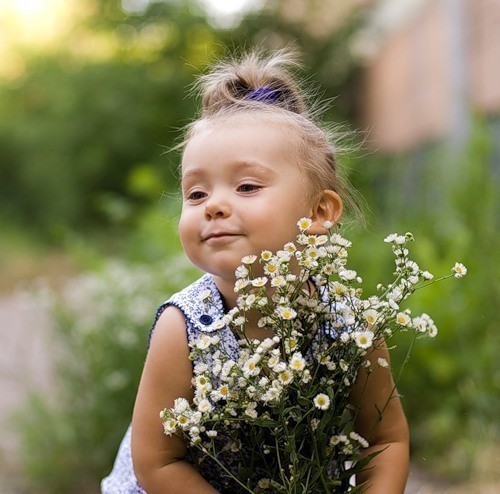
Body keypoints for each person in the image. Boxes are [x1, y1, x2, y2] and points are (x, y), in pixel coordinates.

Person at [101, 49, 409, 494]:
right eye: (196, 193)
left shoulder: (348, 323)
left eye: (247, 186)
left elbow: (385, 438)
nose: (215, 205)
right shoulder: (184, 327)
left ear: (320, 211)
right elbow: (157, 462)